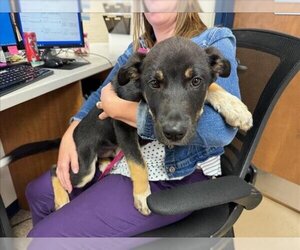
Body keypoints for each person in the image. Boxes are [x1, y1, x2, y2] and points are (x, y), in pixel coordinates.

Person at [26, 0, 240, 237]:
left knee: (45, 238)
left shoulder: (213, 41)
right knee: (36, 192)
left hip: (178, 171)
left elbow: (220, 131)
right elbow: (101, 93)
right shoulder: (139, 49)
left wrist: (120, 110)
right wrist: (73, 128)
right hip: (127, 151)